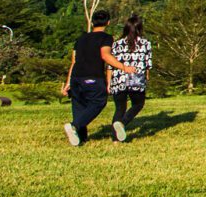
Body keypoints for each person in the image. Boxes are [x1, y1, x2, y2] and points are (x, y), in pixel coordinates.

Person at [62, 9, 139, 146]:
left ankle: (80, 138)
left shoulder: (81, 39)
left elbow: (74, 61)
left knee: (79, 105)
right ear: (108, 22)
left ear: (92, 22)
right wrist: (124, 67)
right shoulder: (105, 38)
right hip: (92, 76)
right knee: (98, 102)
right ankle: (74, 126)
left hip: (76, 77)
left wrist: (68, 82)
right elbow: (105, 55)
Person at [109, 12, 152, 141]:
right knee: (138, 104)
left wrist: (108, 82)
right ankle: (123, 123)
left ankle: (115, 138)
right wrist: (147, 76)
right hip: (136, 79)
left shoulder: (116, 44)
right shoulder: (145, 43)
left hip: (118, 79)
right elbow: (148, 63)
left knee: (120, 108)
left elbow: (110, 65)